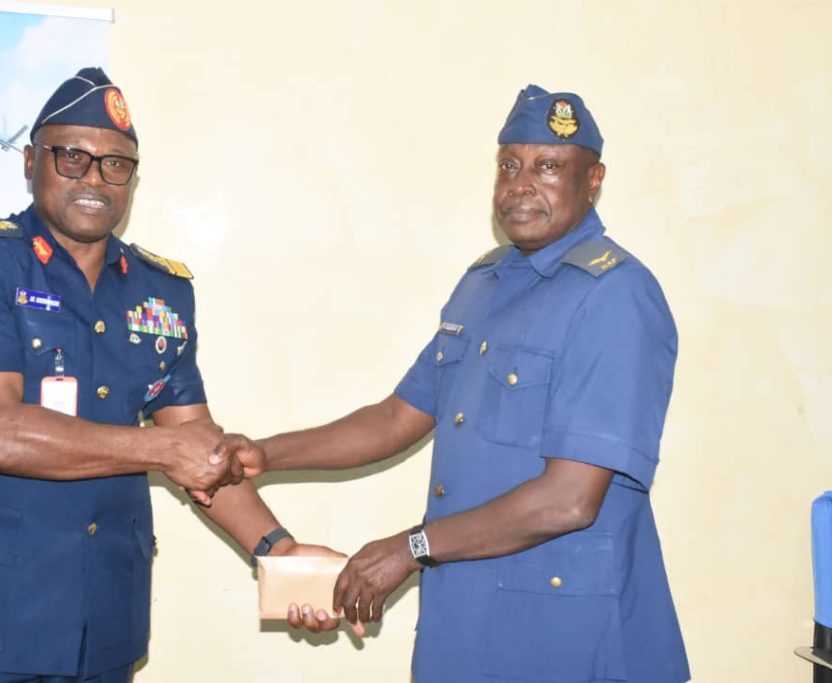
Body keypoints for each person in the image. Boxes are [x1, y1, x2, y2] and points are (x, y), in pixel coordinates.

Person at [0, 67, 329, 682]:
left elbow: (200, 451)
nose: (94, 179)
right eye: (72, 157)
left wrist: (278, 550)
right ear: (31, 161)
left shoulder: (161, 292)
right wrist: (163, 449)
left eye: (115, 165)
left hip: (99, 622)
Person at [221, 84, 691, 682]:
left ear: (593, 180)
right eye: (509, 166)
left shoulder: (615, 295)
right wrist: (264, 454)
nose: (521, 184)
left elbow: (570, 499)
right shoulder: (484, 283)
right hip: (467, 619)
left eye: (548, 167)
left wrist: (410, 548)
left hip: (567, 636)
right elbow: (398, 417)